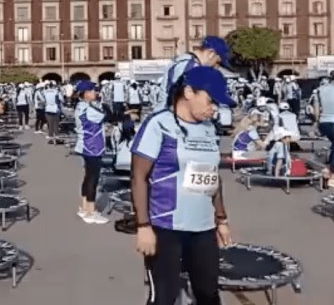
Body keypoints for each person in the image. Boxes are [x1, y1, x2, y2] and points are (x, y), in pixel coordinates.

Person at [131, 66, 234, 305]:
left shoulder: (209, 129)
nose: (214, 108)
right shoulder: (159, 124)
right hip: (165, 227)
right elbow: (138, 178)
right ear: (188, 92)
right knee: (164, 297)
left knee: (208, 294)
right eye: (210, 101)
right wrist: (143, 226)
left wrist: (221, 220)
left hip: (203, 228)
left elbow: (213, 178)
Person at [154, 36, 232, 111]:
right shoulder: (189, 66)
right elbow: (179, 101)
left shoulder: (187, 63)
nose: (216, 68)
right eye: (217, 63)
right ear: (211, 54)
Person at [73, 81, 109, 225]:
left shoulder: (80, 106)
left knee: (88, 177)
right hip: (92, 146)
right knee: (93, 179)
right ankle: (91, 211)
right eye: (93, 91)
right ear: (86, 93)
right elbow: (105, 116)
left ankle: (84, 207)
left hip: (85, 145)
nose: (96, 93)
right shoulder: (88, 108)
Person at [314, 70, 334, 188]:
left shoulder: (320, 89)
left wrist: (316, 122)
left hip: (323, 122)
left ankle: (329, 170)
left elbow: (316, 107)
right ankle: (333, 176)